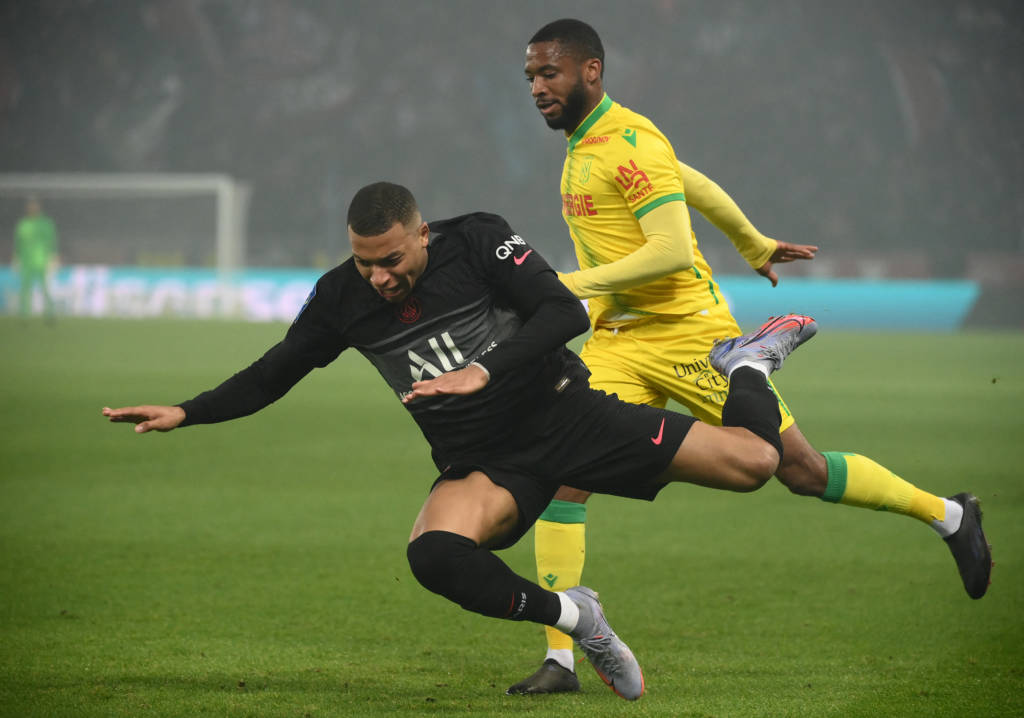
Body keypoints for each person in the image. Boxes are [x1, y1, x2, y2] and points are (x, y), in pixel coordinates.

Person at [103, 181, 819, 702]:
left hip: (568, 416)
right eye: (365, 262)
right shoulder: (341, 298)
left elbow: (564, 312)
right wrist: (187, 411)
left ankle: (748, 362)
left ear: (422, 235)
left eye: (391, 259)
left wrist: (483, 370)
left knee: (755, 462)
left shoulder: (477, 240)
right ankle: (580, 618)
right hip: (486, 464)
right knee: (435, 556)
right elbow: (275, 372)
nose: (380, 277)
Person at [508, 18, 993, 695]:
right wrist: (751, 239)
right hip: (620, 339)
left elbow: (670, 251)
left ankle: (949, 515)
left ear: (591, 70)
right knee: (565, 473)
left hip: (689, 333)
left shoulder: (628, 140)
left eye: (549, 73)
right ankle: (562, 659)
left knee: (800, 470)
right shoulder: (586, 143)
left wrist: (564, 285)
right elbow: (692, 183)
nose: (537, 87)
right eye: (531, 75)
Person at [12, 196, 59, 320]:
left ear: (39, 207)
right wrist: (16, 258)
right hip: (26, 262)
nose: (32, 208)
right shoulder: (23, 224)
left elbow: (52, 241)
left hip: (42, 261)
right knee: (25, 288)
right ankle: (24, 314)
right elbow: (18, 242)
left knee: (45, 288)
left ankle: (49, 313)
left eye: (34, 205)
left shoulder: (46, 223)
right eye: (30, 205)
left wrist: (53, 257)